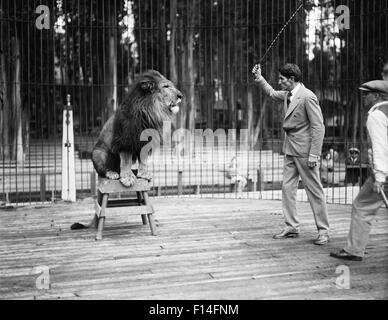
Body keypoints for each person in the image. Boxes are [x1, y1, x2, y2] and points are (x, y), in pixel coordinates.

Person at [252, 63, 329, 245]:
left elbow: (319, 127)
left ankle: (324, 231)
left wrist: (314, 155)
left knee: (314, 191)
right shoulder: (288, 94)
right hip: (290, 150)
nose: (279, 82)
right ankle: (292, 226)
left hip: (305, 152)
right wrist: (260, 78)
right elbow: (271, 93)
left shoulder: (307, 97)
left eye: (282, 79)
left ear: (292, 80)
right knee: (287, 189)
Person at [330, 80, 388, 261]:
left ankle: (354, 250)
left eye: (367, 94)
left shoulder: (377, 115)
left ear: (377, 96)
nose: (363, 97)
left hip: (384, 173)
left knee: (362, 205)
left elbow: (381, 147)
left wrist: (379, 177)